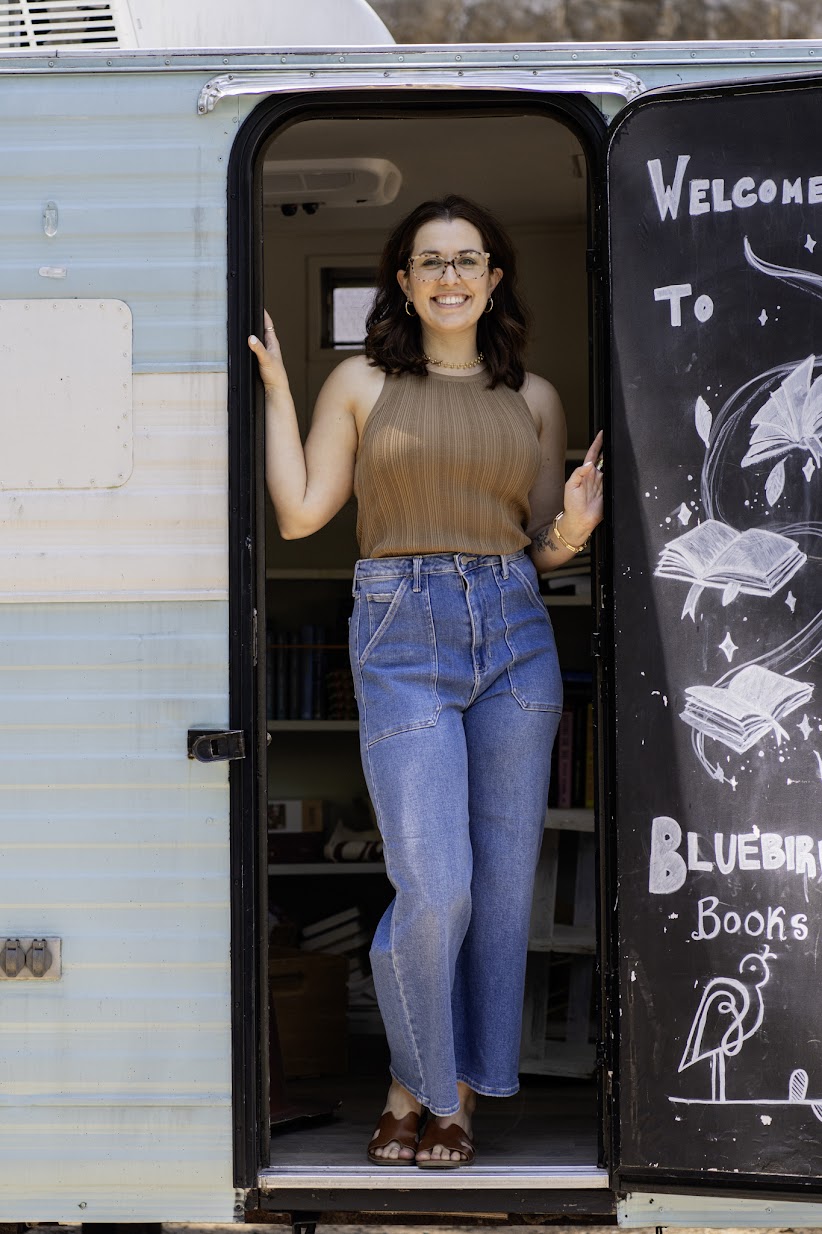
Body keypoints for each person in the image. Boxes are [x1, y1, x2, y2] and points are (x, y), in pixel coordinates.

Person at [249, 194, 603, 1169]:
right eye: (429, 261)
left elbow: (542, 547)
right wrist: (280, 392)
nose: (450, 276)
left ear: (493, 280)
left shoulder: (533, 397)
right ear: (402, 283)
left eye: (467, 260)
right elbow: (301, 514)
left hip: (515, 634)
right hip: (402, 632)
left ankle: (442, 1099)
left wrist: (574, 521)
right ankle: (425, 1082)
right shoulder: (358, 382)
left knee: (496, 891)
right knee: (434, 883)